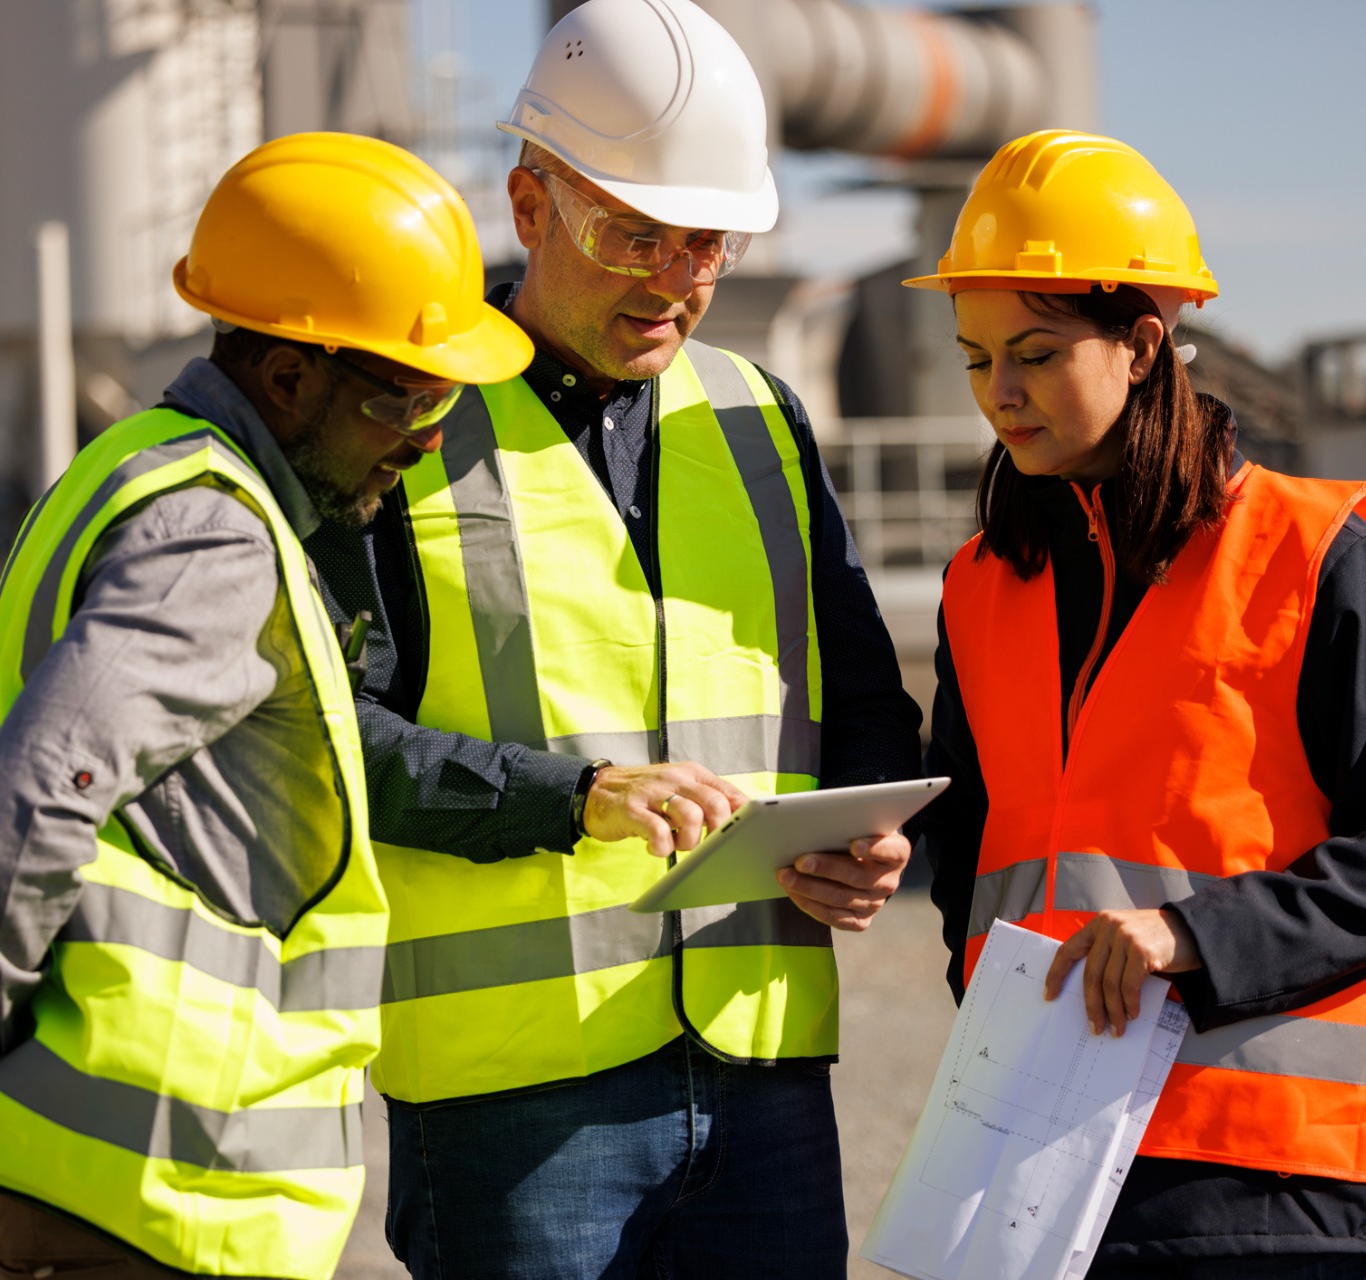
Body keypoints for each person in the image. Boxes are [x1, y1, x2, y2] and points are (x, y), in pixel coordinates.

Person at [0, 133, 532, 1280]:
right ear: (290, 377)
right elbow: (0, 833)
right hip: (161, 1211)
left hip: (87, 1196)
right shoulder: (216, 533)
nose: (431, 441)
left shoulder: (122, 472)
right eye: (413, 396)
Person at [303, 1, 921, 1274]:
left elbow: (860, 698)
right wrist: (571, 797)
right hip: (512, 1102)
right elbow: (328, 739)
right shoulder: (406, 420)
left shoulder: (759, 417)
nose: (674, 281)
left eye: (708, 243)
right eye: (632, 232)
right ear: (529, 208)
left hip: (761, 1065)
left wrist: (867, 834)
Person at [905, 129, 1366, 1279]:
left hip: (1284, 1187)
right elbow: (971, 853)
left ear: (1142, 343)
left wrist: (1193, 936)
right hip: (1050, 1165)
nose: (1001, 393)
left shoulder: (1307, 550)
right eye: (977, 358)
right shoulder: (980, 587)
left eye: (1033, 352)